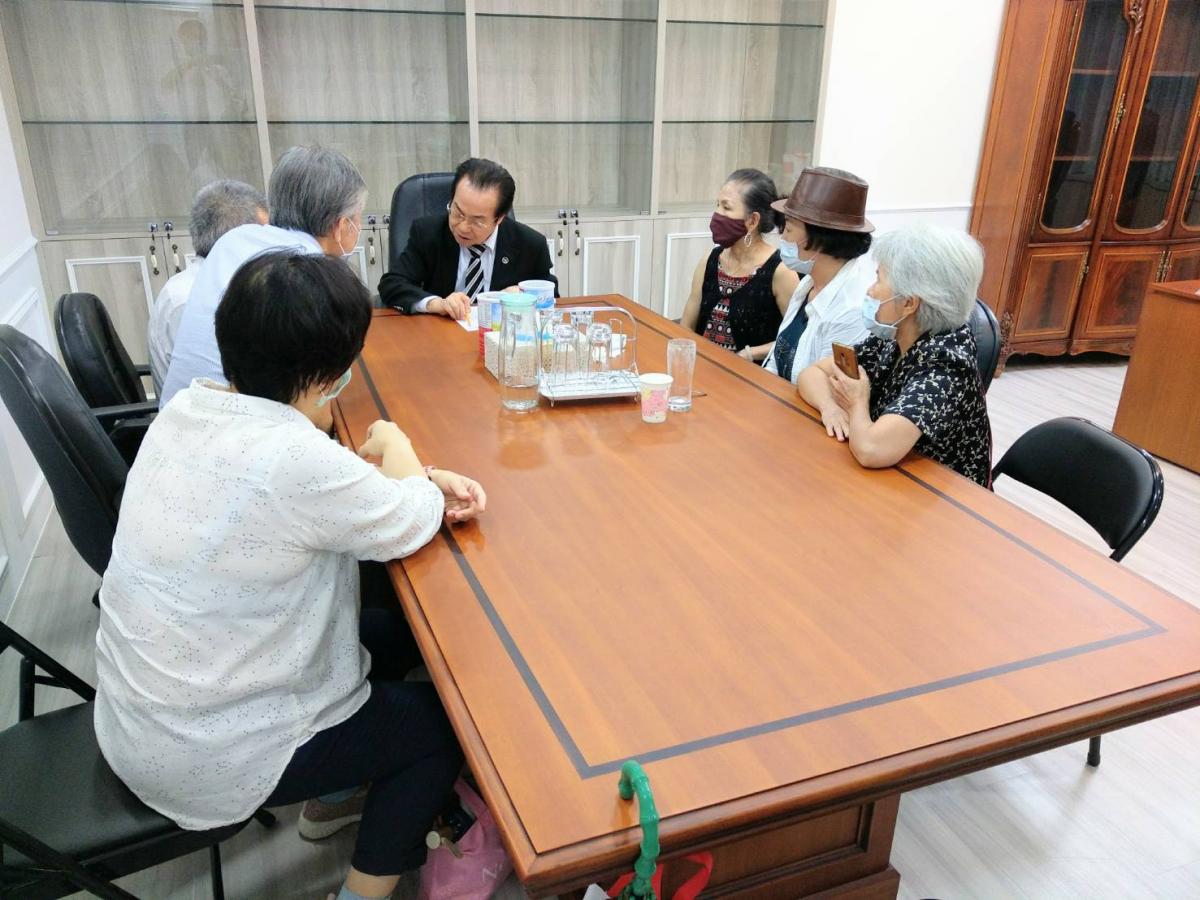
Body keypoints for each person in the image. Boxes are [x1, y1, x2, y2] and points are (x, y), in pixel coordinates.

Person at [95, 251, 486, 900]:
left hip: (140, 716)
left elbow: (330, 496)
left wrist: (415, 478)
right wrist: (401, 451)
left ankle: (331, 799)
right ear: (323, 376)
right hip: (206, 753)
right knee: (446, 727)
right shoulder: (293, 458)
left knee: (394, 635)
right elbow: (409, 520)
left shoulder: (189, 410)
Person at [159, 145, 367, 407]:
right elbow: (313, 391)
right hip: (235, 421)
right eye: (358, 218)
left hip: (179, 413)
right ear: (341, 225)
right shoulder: (304, 273)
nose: (360, 226)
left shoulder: (234, 239)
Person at [796, 223, 992, 486]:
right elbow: (812, 374)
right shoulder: (893, 335)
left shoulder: (947, 366)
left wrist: (857, 402)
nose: (870, 290)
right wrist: (829, 408)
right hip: (889, 479)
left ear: (909, 303)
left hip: (940, 497)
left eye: (879, 279)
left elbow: (871, 450)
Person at [378, 157, 557, 319]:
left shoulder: (530, 244)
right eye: (458, 213)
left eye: (477, 221)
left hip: (502, 336)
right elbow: (392, 284)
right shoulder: (428, 233)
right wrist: (437, 303)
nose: (462, 227)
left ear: (499, 218)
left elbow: (551, 297)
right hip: (441, 335)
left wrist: (525, 295)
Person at [147, 180, 267, 397]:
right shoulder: (194, 298)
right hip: (203, 412)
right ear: (238, 240)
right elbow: (218, 393)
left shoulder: (196, 283)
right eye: (264, 236)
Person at [762, 167, 874, 384]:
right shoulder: (809, 283)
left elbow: (825, 389)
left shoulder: (852, 310)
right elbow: (776, 360)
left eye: (789, 230)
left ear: (819, 240)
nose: (783, 238)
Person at [679, 168, 799, 361]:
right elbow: (687, 326)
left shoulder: (781, 272)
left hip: (749, 375)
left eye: (726, 208)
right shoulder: (710, 260)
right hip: (703, 367)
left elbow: (795, 339)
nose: (717, 214)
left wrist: (750, 354)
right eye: (717, 205)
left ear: (753, 221)